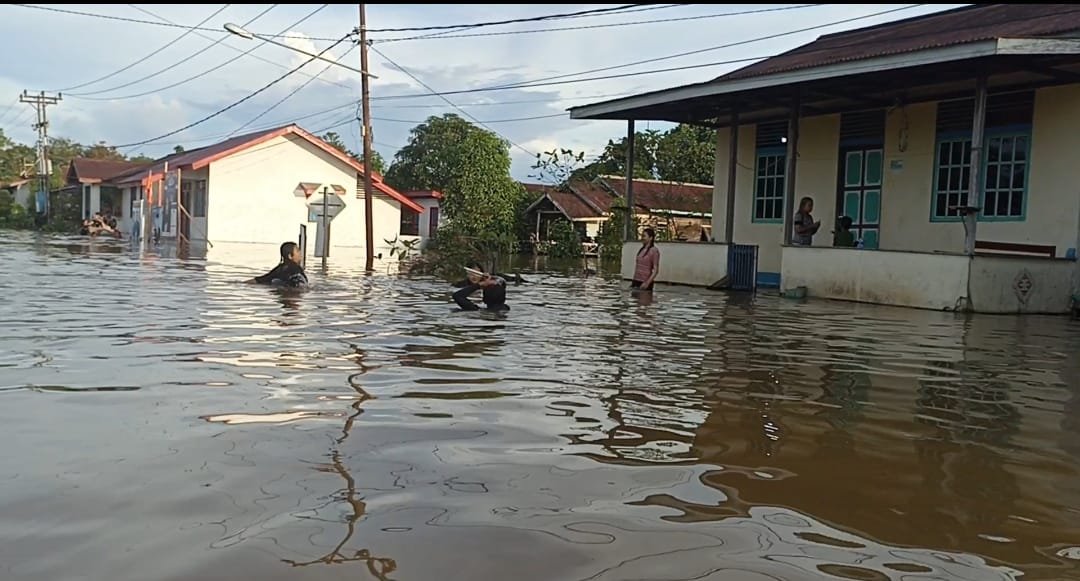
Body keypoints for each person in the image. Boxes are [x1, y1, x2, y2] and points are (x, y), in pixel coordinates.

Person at [631, 227, 660, 292]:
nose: (642, 238)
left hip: (645, 281)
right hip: (636, 280)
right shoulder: (642, 249)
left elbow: (655, 270)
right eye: (642, 236)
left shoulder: (654, 251)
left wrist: (647, 283)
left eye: (644, 236)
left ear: (651, 238)